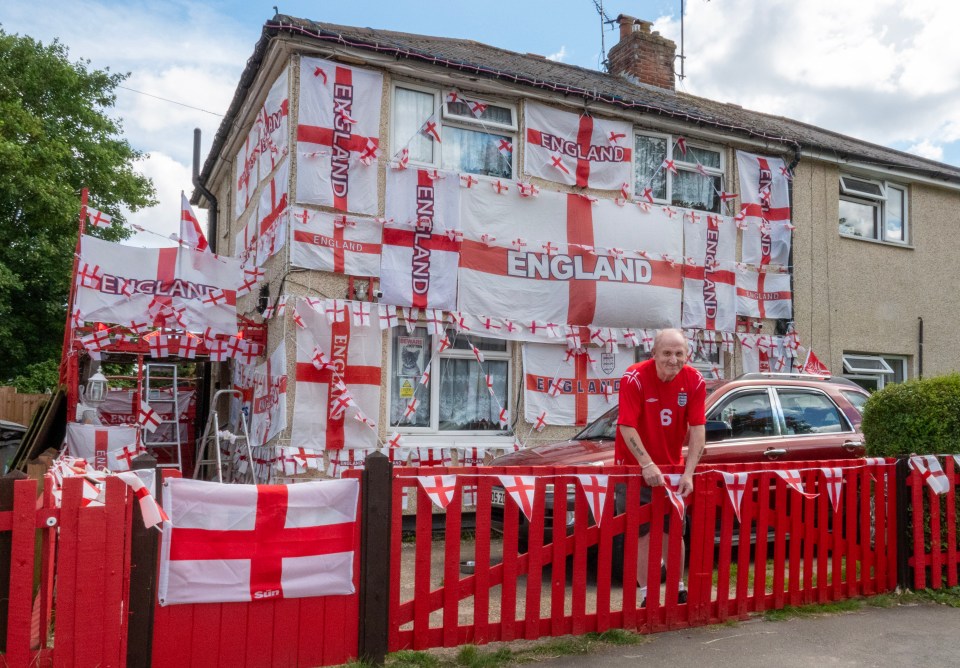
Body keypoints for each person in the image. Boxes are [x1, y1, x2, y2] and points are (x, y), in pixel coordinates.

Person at [614, 328, 707, 605]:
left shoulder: (695, 380)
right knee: (642, 535)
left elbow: (698, 430)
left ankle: (677, 588)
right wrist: (646, 463)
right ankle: (647, 595)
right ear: (653, 353)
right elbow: (626, 426)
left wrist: (688, 472)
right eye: (667, 353)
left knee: (674, 531)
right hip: (634, 469)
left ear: (687, 355)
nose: (673, 360)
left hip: (672, 469)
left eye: (679, 354)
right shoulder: (635, 377)